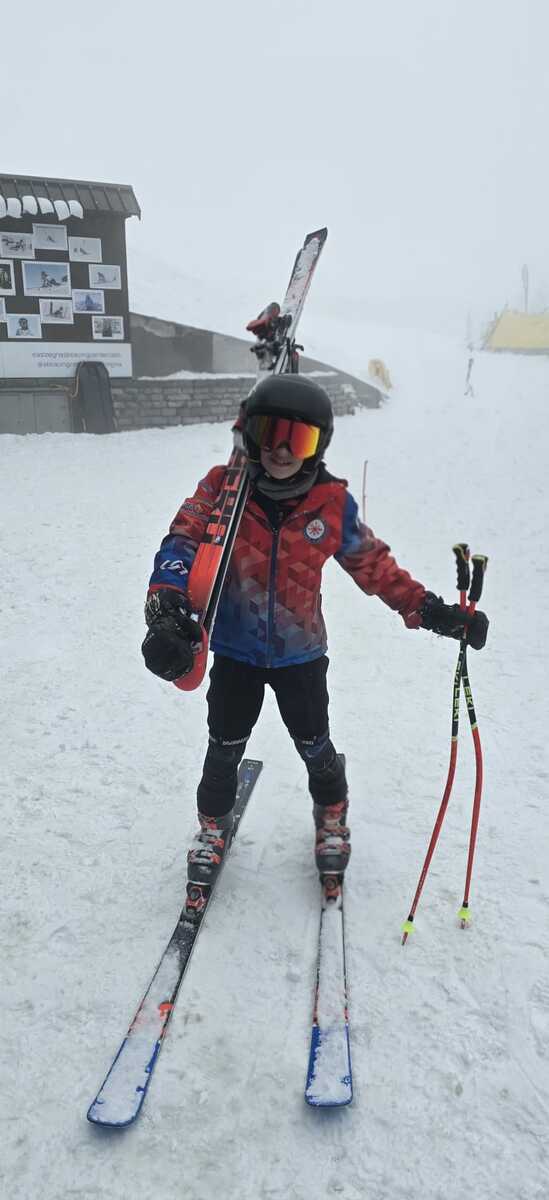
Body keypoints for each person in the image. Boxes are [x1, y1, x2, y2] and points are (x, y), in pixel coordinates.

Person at [142, 374, 488, 890]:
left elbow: (375, 568)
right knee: (224, 746)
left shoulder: (330, 504)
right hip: (235, 651)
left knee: (314, 743)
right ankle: (213, 827)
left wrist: (431, 612)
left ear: (318, 444)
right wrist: (167, 606)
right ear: (250, 434)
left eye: (298, 439)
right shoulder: (222, 488)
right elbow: (182, 540)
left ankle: (332, 816)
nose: (281, 450)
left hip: (300, 655)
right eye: (270, 433)